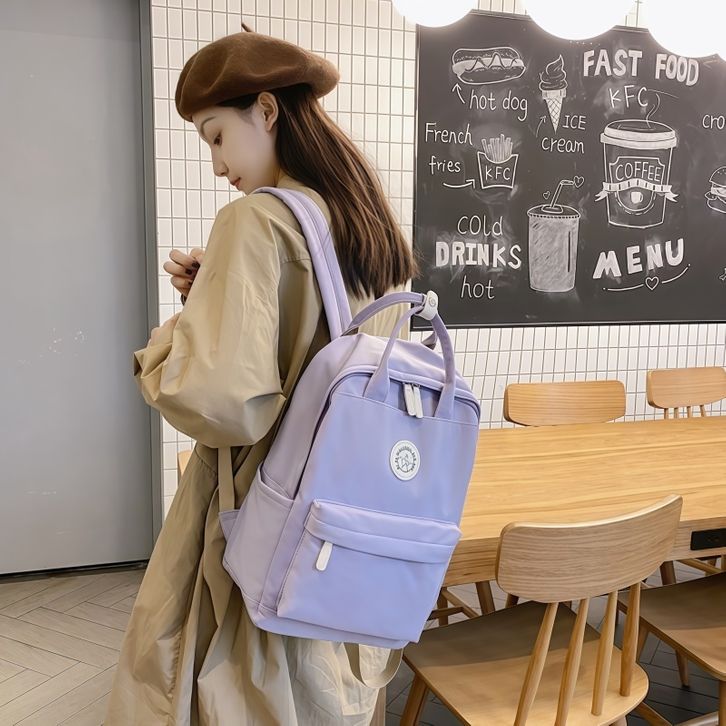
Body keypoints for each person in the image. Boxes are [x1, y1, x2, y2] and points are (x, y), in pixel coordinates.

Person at [105, 25, 417, 726]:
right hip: (346, 504)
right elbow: (325, 343)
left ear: (267, 111)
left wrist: (166, 343)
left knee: (237, 683)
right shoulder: (363, 222)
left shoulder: (255, 221)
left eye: (216, 136)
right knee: (313, 674)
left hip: (260, 505)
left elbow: (225, 403)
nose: (217, 164)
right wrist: (214, 295)